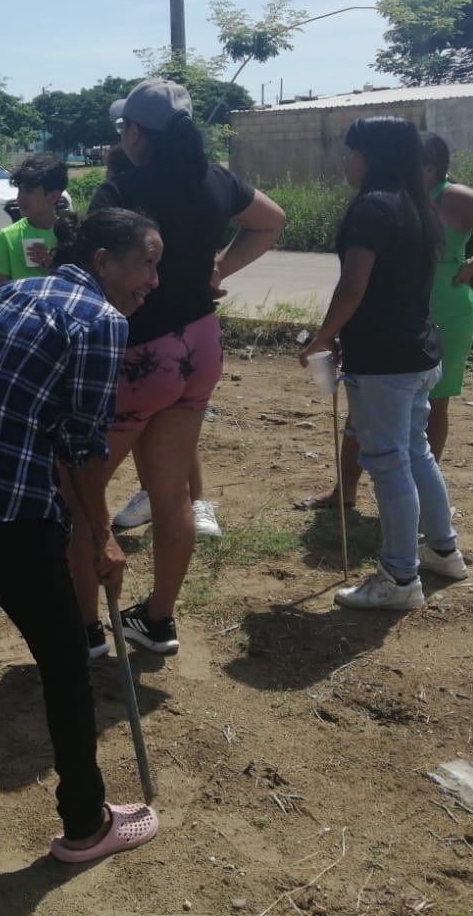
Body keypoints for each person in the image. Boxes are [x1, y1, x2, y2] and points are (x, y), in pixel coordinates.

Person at [0, 207, 164, 863]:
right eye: (148, 263)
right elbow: (80, 446)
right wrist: (101, 536)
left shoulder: (13, 292)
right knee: (65, 663)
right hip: (9, 513)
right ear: (103, 261)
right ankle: (85, 825)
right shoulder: (102, 321)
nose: (154, 281)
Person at [78, 79, 286, 659]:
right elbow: (271, 220)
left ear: (136, 133)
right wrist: (218, 268)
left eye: (124, 126)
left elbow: (97, 271)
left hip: (140, 354)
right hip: (200, 345)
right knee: (172, 495)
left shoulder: (122, 189)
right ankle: (159, 620)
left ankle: (84, 629)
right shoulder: (216, 178)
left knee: (80, 495)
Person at [296, 130, 473, 510]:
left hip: (445, 312)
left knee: (433, 405)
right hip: (391, 311)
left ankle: (422, 500)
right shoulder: (392, 199)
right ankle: (345, 490)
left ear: (427, 168)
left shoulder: (451, 196)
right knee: (363, 404)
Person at [298, 117, 466, 609]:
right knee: (415, 452)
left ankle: (399, 577)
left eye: (352, 152)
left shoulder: (373, 207)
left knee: (390, 465)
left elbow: (353, 287)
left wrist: (322, 338)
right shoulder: (419, 205)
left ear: (372, 157)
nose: (346, 161)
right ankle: (442, 550)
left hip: (384, 359)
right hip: (417, 350)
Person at [0, 153, 67, 285]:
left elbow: (82, 286)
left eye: (29, 191)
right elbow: (2, 290)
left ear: (53, 196)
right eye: (20, 190)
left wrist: (52, 264)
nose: (20, 198)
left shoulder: (72, 236)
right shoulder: (7, 237)